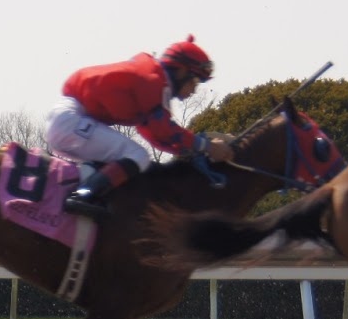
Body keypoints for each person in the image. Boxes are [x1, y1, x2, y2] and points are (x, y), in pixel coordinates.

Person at [47, 34, 233, 216]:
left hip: (69, 119)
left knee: (134, 158)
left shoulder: (154, 82)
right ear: (181, 71)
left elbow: (156, 137)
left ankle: (91, 190)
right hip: (71, 119)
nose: (194, 90)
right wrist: (207, 146)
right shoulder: (152, 81)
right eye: (195, 81)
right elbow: (166, 130)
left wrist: (196, 148)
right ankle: (82, 196)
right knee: (137, 155)